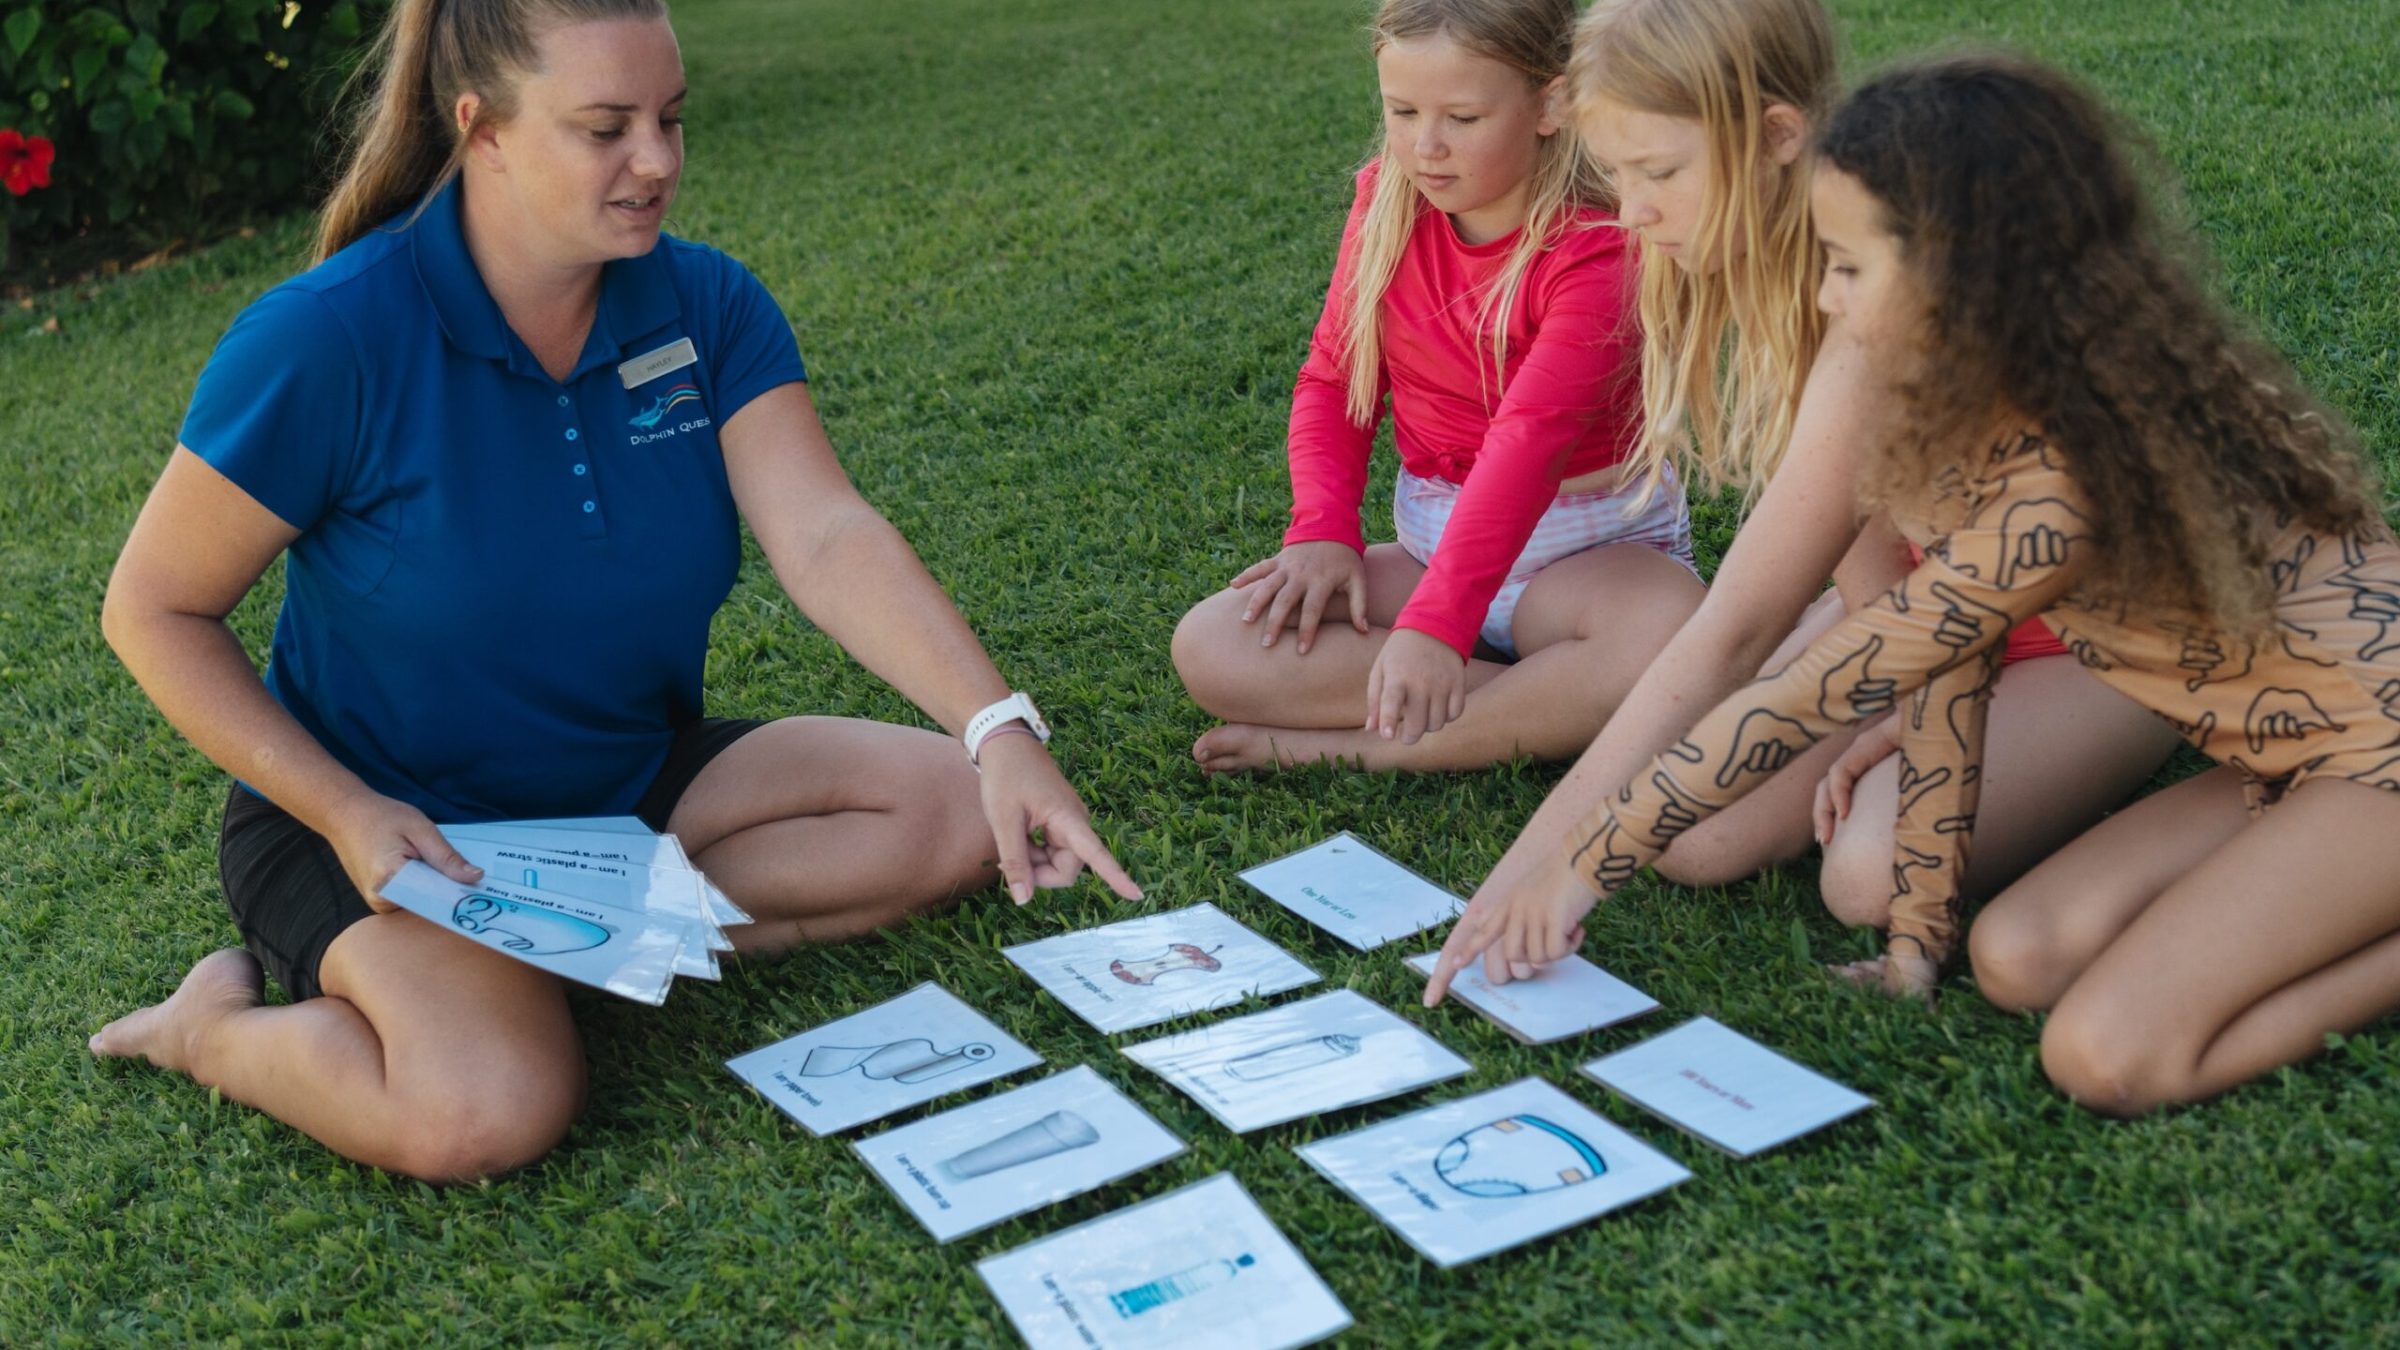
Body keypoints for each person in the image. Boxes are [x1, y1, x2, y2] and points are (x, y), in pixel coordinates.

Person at [86, 0, 1138, 1182]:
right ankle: (210, 1030)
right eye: (607, 128)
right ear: (480, 127)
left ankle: (547, 956)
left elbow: (827, 535)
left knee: (953, 810)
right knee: (484, 1110)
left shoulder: (705, 304)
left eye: (672, 119)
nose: (659, 162)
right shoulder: (327, 340)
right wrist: (341, 810)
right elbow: (152, 610)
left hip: (622, 790)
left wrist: (996, 729)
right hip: (388, 825)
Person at [1435, 53, 2400, 1115]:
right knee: (2015, 958)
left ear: (1961, 273)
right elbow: (1948, 673)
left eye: (1848, 266)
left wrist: (1583, 863)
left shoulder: (2066, 480)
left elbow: (1812, 691)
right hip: (2280, 757)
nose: (1821, 294)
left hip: (2378, 752)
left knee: (2110, 1056)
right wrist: (1914, 938)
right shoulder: (1951, 416)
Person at [1430, 0, 2177, 963]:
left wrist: (1542, 874)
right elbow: (1868, 563)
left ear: (1777, 137)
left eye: (1658, 172)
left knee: (1864, 873)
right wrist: (1902, 699)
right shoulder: (1782, 265)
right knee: (1699, 835)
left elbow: (1735, 628)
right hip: (1927, 606)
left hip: (2096, 638)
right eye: (1615, 174)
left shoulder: (1882, 298)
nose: (1631, 210)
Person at [1169, 0, 1706, 773]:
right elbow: (1331, 377)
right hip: (1433, 542)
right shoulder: (1386, 201)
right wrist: (1322, 530)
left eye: (1462, 116)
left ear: (1551, 104)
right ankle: (1546, 702)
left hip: (1585, 558)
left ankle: (1370, 750)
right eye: (1402, 111)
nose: (1426, 146)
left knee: (1665, 636)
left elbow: (1529, 444)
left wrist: (1436, 629)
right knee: (1213, 644)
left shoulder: (1600, 249)